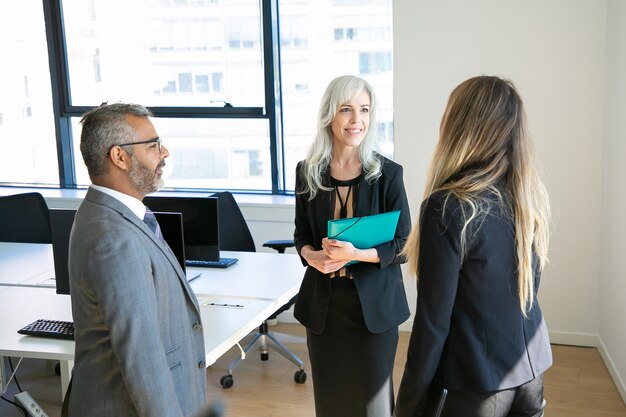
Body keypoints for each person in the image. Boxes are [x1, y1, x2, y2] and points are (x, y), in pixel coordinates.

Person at [395, 76, 552, 417]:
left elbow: (432, 324)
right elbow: (525, 291)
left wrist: (406, 405)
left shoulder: (449, 206)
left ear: (461, 126)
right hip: (530, 372)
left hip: (480, 384)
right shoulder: (528, 196)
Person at [63, 103, 207, 417]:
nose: (164, 152)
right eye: (153, 145)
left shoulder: (116, 215)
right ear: (119, 157)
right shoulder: (112, 236)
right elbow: (142, 358)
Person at [294, 75, 412, 417]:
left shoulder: (388, 174)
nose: (356, 119)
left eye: (364, 109)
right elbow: (301, 235)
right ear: (330, 115)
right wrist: (312, 256)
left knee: (373, 405)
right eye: (346, 109)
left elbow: (404, 244)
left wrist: (357, 255)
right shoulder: (308, 173)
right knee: (331, 402)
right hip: (325, 309)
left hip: (374, 308)